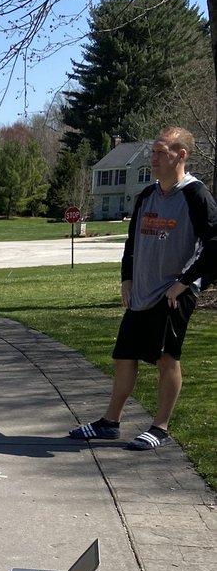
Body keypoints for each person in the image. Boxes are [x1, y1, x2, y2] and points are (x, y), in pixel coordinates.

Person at [69, 127, 217, 451]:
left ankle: (159, 427)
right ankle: (110, 423)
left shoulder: (196, 195)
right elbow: (132, 242)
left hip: (173, 293)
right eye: (153, 152)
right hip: (142, 291)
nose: (154, 158)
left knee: (166, 358)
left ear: (181, 155)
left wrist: (184, 282)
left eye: (161, 152)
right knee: (124, 356)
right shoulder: (146, 196)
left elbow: (214, 246)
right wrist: (127, 278)